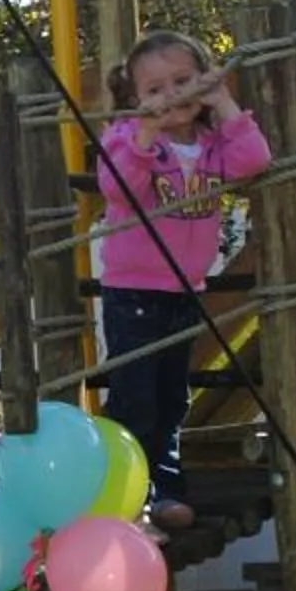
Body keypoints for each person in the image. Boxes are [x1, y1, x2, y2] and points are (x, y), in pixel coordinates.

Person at [96, 28, 272, 531]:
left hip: (184, 291)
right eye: (154, 90)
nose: (171, 95)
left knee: (173, 397)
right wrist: (147, 134)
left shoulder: (214, 144)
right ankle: (132, 494)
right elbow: (119, 190)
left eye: (183, 81)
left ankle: (165, 489)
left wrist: (223, 100)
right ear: (134, 100)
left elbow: (255, 160)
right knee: (136, 397)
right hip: (134, 292)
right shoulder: (126, 138)